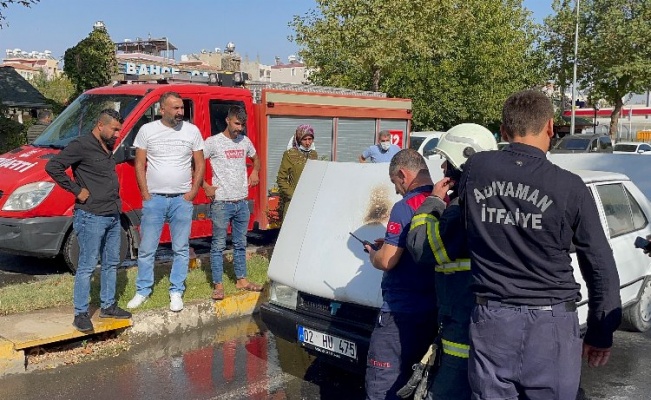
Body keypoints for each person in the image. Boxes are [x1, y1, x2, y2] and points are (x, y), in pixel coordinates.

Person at [458, 89, 621, 399]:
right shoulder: (569, 186)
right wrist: (601, 332)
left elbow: (464, 223)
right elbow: (599, 263)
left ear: (504, 131)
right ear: (549, 126)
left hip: (493, 321)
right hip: (552, 327)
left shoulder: (476, 169)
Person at [406, 123, 497, 400]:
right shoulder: (493, 200)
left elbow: (421, 247)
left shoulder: (460, 208)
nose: (443, 169)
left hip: (463, 320)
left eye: (447, 162)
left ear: (462, 160)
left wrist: (433, 201)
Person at [45, 109, 131, 332]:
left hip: (112, 214)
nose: (117, 134)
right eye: (114, 129)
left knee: (112, 262)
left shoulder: (107, 146)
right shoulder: (81, 144)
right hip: (91, 215)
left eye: (118, 130)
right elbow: (53, 166)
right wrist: (76, 190)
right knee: (87, 266)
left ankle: (108, 305)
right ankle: (81, 313)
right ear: (100, 125)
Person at [364, 149, 438, 400]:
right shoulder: (443, 202)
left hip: (399, 316)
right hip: (433, 314)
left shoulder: (404, 206)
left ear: (402, 174)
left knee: (383, 388)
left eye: (395, 183)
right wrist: (392, 241)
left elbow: (387, 261)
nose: (397, 189)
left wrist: (374, 254)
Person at [126, 92, 205, 312]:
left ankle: (176, 290)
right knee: (147, 248)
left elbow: (200, 163)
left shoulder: (191, 131)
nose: (181, 112)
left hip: (182, 199)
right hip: (155, 200)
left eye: (182, 108)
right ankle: (142, 291)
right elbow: (139, 163)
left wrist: (192, 192)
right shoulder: (147, 131)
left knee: (180, 249)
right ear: (162, 109)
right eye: (176, 108)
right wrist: (145, 194)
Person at [203, 106, 262, 301]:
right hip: (221, 203)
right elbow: (195, 162)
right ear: (228, 120)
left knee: (240, 243)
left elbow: (256, 158)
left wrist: (254, 171)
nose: (240, 129)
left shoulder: (245, 141)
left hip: (241, 202)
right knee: (218, 245)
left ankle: (241, 280)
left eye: (243, 125)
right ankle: (218, 285)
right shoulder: (213, 142)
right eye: (237, 124)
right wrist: (205, 185)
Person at [276, 124, 318, 220]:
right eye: (304, 139)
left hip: (310, 200)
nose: (308, 143)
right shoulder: (290, 154)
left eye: (310, 139)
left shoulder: (313, 154)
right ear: (299, 139)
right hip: (293, 201)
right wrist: (293, 195)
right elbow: (281, 179)